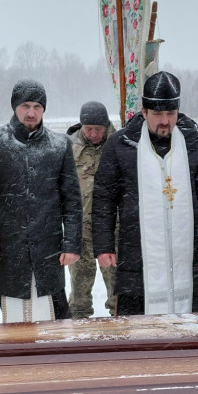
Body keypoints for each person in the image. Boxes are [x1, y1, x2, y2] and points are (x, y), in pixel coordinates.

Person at [93, 71, 198, 316]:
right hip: (135, 256)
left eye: (170, 113)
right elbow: (104, 199)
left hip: (183, 255)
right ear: (144, 112)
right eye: (157, 114)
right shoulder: (121, 145)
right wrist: (103, 244)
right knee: (136, 339)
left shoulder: (193, 144)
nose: (165, 121)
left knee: (186, 332)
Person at [0, 79, 82, 323]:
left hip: (48, 250)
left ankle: (53, 362)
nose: (31, 112)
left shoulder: (59, 144)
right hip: (8, 249)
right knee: (13, 322)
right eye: (25, 106)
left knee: (56, 320)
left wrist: (72, 242)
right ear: (14, 107)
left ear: (44, 109)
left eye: (37, 107)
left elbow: (71, 199)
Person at [66, 100, 117, 319]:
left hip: (113, 230)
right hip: (81, 231)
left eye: (99, 129)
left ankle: (121, 326)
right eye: (89, 129)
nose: (94, 134)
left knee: (118, 287)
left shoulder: (118, 144)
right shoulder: (68, 147)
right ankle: (78, 327)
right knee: (79, 289)